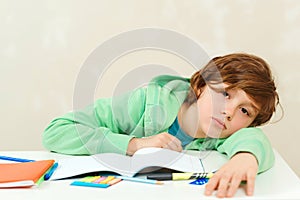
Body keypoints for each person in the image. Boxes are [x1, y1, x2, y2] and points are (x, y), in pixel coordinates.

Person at [42, 52, 279, 198]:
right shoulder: (146, 102)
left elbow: (255, 140)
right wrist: (134, 144)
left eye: (244, 111)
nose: (229, 113)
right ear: (200, 87)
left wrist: (247, 157)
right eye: (225, 94)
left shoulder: (228, 133)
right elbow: (57, 130)